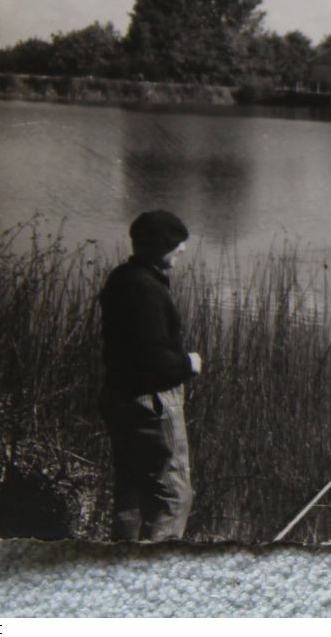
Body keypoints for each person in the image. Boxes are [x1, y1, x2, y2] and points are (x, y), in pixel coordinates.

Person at [97, 209, 202, 542]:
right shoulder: (146, 291)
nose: (183, 249)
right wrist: (189, 364)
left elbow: (130, 351)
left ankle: (122, 563)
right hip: (152, 404)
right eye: (176, 244)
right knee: (172, 496)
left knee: (130, 488)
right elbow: (153, 360)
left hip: (119, 397)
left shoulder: (121, 277)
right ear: (159, 248)